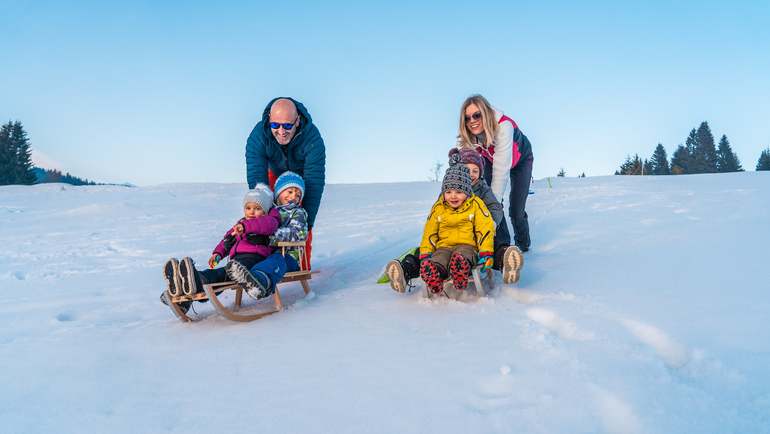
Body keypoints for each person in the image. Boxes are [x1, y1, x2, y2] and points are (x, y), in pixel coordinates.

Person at [385, 148, 524, 292]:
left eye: (475, 171)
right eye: (467, 169)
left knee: (484, 248)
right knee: (429, 255)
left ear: (481, 173)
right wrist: (427, 252)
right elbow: (431, 228)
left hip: (472, 239)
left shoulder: (481, 194)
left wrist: (491, 224)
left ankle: (505, 261)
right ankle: (408, 270)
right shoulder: (444, 198)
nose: (470, 174)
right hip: (444, 244)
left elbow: (494, 210)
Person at [160, 184, 279, 312]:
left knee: (225, 273)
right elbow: (227, 240)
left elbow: (266, 225)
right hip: (236, 262)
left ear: (265, 211)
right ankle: (190, 282)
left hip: (254, 260)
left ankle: (194, 283)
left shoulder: (268, 222)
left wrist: (245, 227)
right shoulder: (240, 225)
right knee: (218, 274)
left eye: (257, 208)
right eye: (248, 207)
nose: (251, 211)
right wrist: (218, 254)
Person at [245, 97, 325, 265]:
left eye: (287, 125)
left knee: (299, 216)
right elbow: (258, 183)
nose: (281, 131)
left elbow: (314, 184)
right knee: (267, 216)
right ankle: (263, 262)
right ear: (269, 120)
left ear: (297, 121)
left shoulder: (313, 139)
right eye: (276, 125)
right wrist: (262, 221)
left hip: (301, 177)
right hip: (273, 174)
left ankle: (299, 264)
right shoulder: (258, 137)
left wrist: (306, 226)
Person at [457, 94, 534, 253]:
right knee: (484, 197)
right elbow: (461, 162)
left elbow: (500, 173)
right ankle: (501, 247)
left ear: (485, 113)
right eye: (467, 117)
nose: (472, 120)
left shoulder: (503, 127)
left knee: (515, 209)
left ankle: (523, 244)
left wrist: (492, 214)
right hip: (492, 161)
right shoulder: (469, 134)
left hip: (521, 161)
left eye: (477, 115)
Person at [226, 171, 309, 299]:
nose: (294, 196)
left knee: (277, 260)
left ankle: (260, 282)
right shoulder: (269, 211)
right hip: (267, 253)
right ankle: (248, 277)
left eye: (298, 195)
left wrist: (271, 236)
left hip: (288, 256)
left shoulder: (298, 212)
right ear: (278, 193)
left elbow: (299, 233)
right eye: (290, 191)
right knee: (254, 260)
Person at [418, 162, 496, 294]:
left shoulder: (476, 204)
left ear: (467, 191)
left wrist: (486, 251)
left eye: (459, 192)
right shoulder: (438, 207)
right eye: (448, 192)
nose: (453, 196)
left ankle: (460, 271)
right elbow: (429, 232)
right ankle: (435, 275)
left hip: (467, 246)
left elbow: (485, 228)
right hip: (443, 247)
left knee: (462, 256)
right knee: (439, 259)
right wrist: (426, 253)